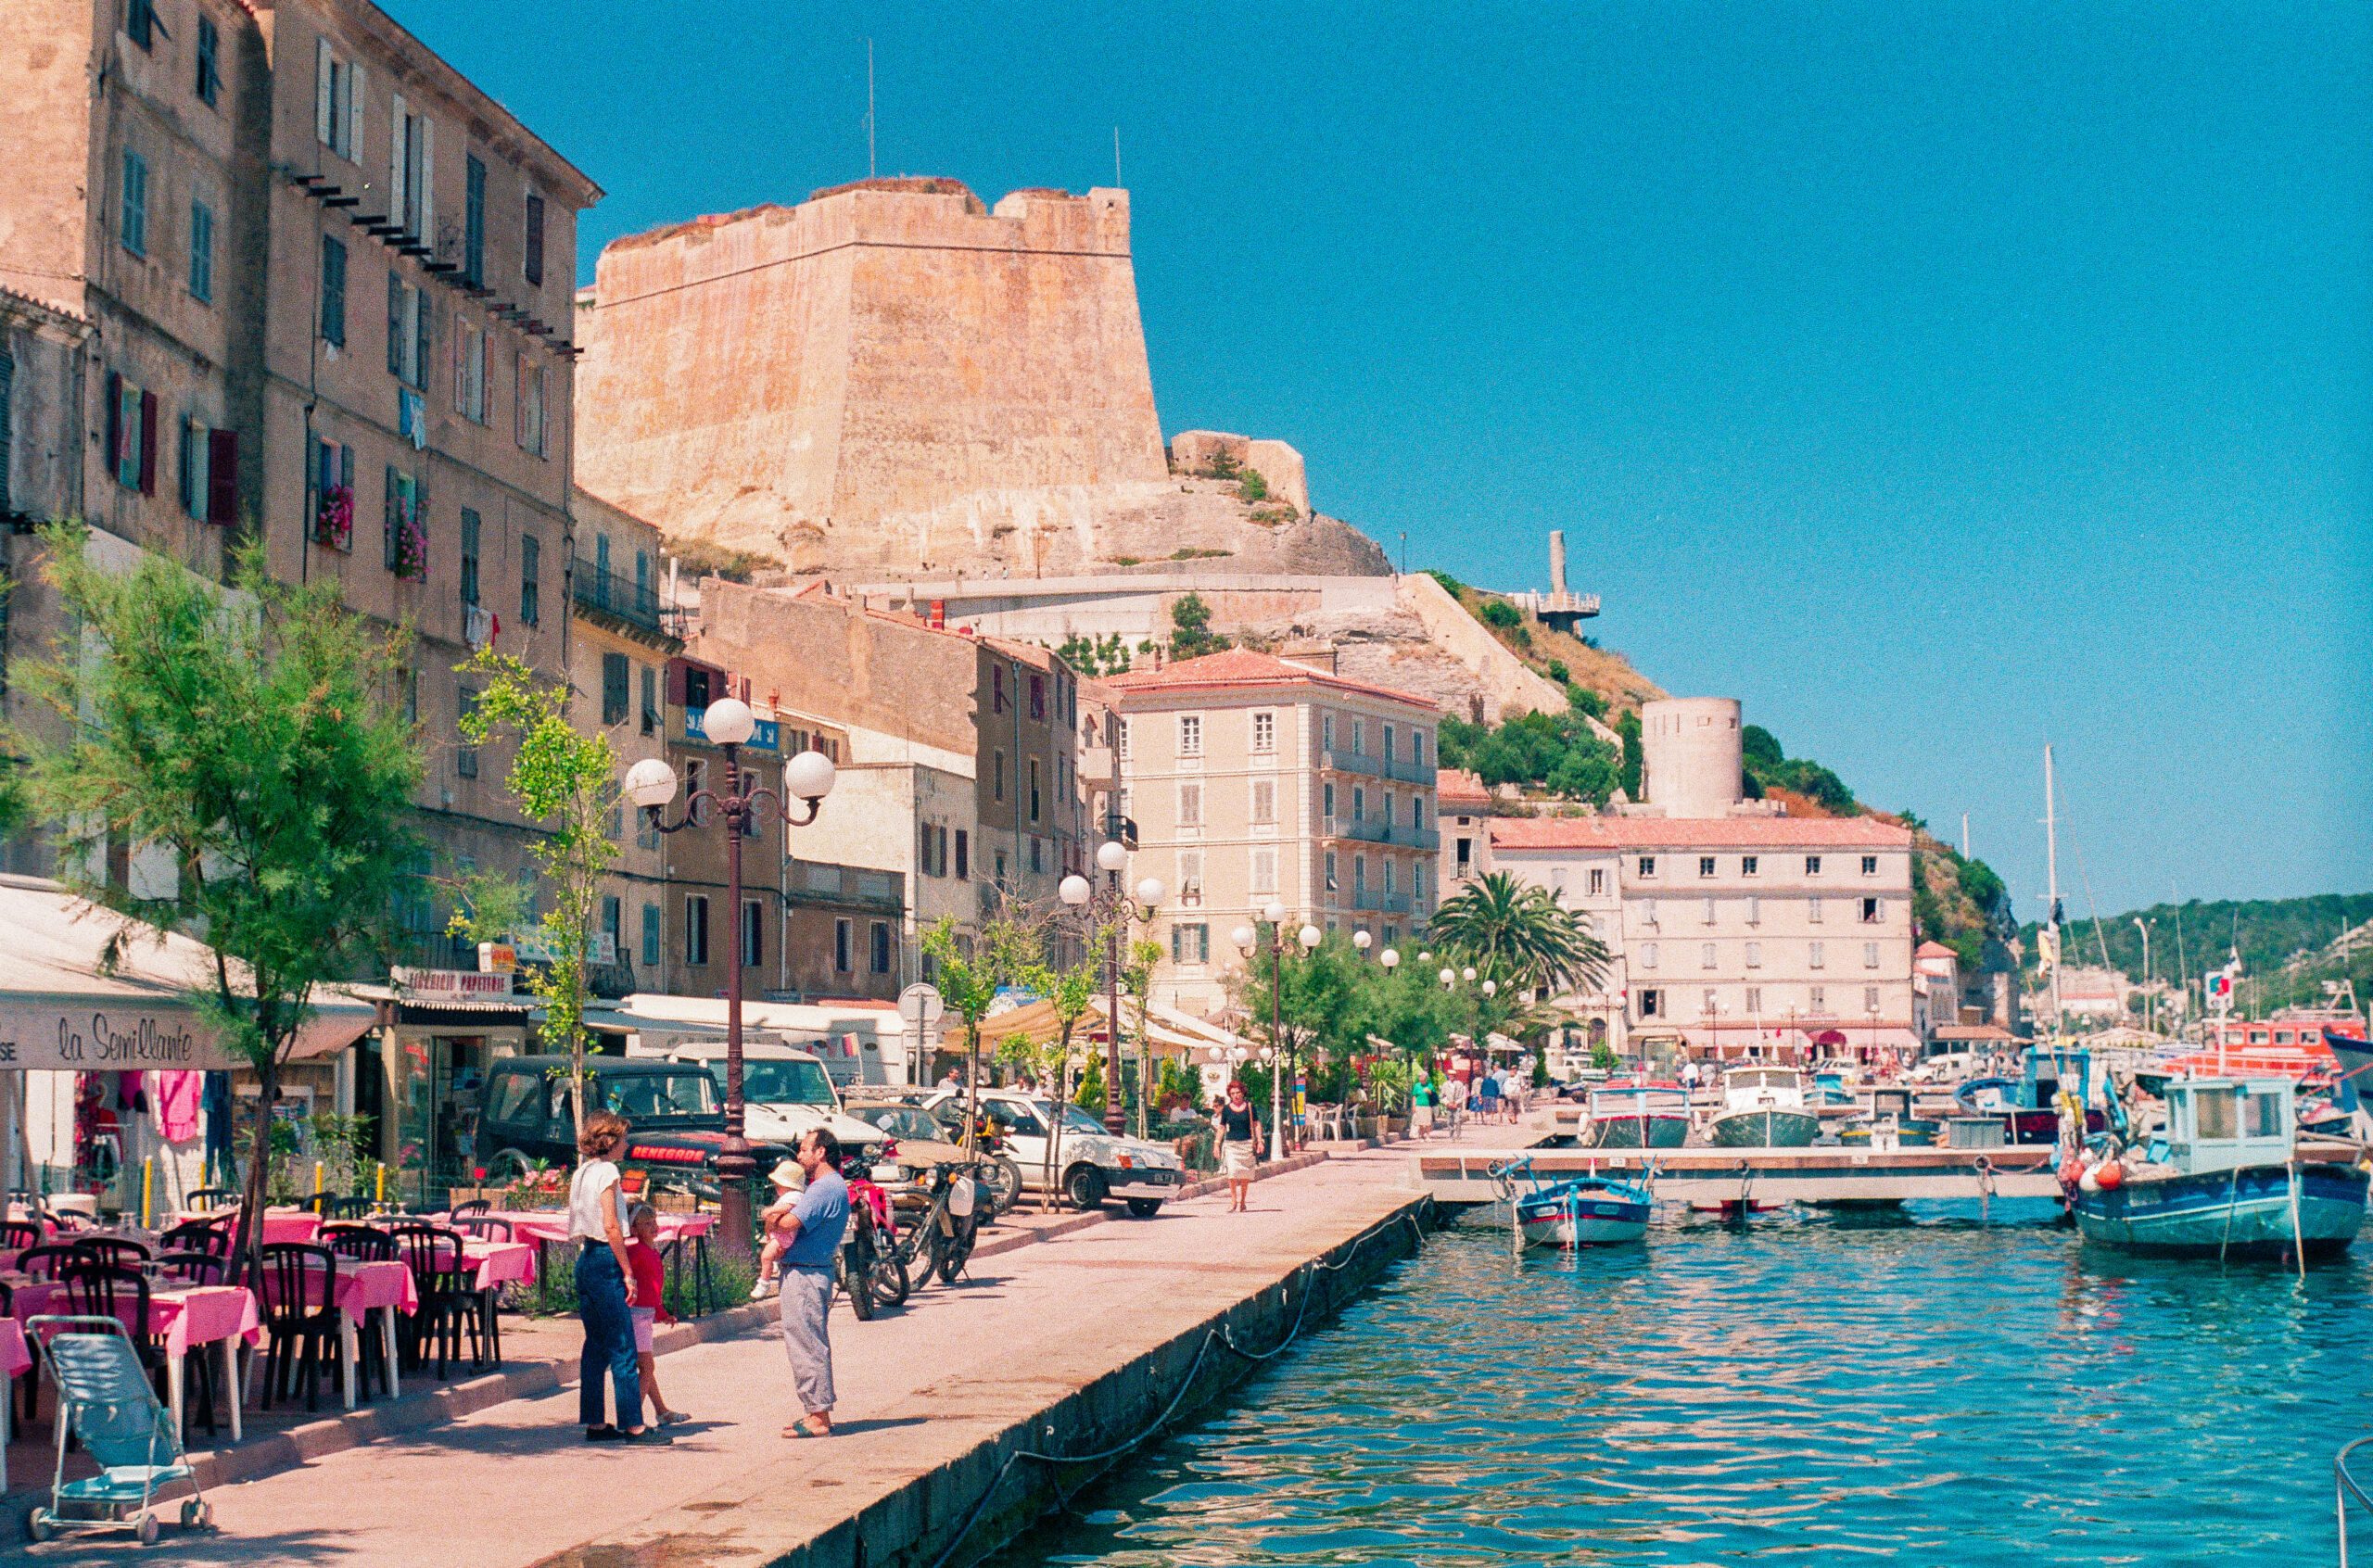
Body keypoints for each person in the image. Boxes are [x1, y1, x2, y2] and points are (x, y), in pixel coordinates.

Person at [569, 1112, 667, 1444]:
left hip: (585, 1261)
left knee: (595, 1347)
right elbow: (611, 1225)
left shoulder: (582, 1171)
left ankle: (595, 1422)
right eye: (623, 1139)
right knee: (623, 1346)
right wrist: (627, 1272)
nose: (627, 1145)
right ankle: (633, 1424)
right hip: (605, 1259)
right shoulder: (609, 1171)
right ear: (609, 1142)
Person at [772, 1129, 849, 1438]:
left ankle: (819, 1416)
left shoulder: (823, 1189)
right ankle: (814, 1410)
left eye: (804, 1149)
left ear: (821, 1153)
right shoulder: (829, 1187)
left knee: (807, 1342)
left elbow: (789, 1223)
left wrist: (771, 1216)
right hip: (807, 1270)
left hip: (806, 1274)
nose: (799, 1155)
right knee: (804, 1339)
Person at [626, 1204, 689, 1427]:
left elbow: (654, 1289)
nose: (654, 1227)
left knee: (645, 1367)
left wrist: (661, 1313)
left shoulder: (650, 1252)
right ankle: (632, 1418)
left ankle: (661, 1411)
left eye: (654, 1222)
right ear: (634, 1230)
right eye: (646, 1224)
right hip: (636, 1316)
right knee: (647, 1367)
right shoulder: (636, 1252)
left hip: (644, 1315)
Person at [749, 1159, 805, 1300]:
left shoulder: (794, 1196)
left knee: (765, 1256)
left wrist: (771, 1210)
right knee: (768, 1254)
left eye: (779, 1186)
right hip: (778, 1233)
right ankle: (773, 1264)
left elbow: (786, 1207)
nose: (776, 1188)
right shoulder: (789, 1195)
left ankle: (763, 1283)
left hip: (783, 1235)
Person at [1213, 1081, 1263, 1212]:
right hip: (1231, 1145)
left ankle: (1243, 1201)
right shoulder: (1227, 1110)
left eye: (1238, 1093)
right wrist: (1216, 1144)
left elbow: (1257, 1124)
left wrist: (1260, 1141)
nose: (1235, 1095)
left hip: (1246, 1144)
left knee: (1245, 1176)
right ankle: (1234, 1200)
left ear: (1242, 1093)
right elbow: (1222, 1127)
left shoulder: (1250, 1107)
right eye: (1233, 1093)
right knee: (1232, 1173)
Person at [1411, 1071, 1435, 1139]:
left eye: (1423, 1078)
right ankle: (1421, 1136)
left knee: (1427, 1122)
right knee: (1420, 1122)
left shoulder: (1429, 1085)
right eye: (1420, 1078)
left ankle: (1428, 1136)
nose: (1421, 1079)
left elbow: (1433, 1095)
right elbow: (1414, 1096)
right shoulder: (1417, 1085)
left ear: (1426, 1078)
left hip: (1427, 1105)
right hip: (1419, 1105)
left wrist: (1429, 1091)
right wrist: (1414, 1106)